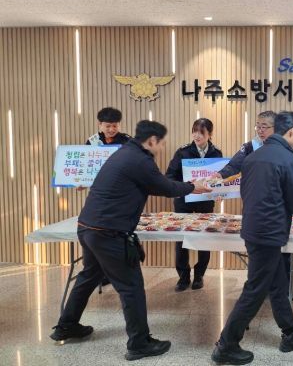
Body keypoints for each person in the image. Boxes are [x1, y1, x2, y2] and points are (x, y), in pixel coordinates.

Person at [50, 120, 211, 361]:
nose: (162, 148)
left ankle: (67, 325)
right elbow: (164, 186)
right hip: (109, 232)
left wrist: (188, 187)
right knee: (131, 286)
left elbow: (154, 185)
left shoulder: (124, 153)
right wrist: (191, 187)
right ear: (152, 140)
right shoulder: (140, 160)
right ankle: (139, 343)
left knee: (88, 276)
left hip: (88, 227)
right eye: (161, 143)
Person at [211, 111, 293, 365]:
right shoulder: (289, 159)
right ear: (291, 131)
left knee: (278, 283)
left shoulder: (253, 157)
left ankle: (291, 333)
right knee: (255, 289)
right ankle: (226, 344)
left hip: (254, 229)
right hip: (269, 233)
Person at [166, 118, 223, 292]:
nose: (197, 135)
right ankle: (183, 276)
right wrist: (186, 187)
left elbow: (220, 179)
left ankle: (199, 275)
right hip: (184, 200)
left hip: (205, 201)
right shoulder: (182, 152)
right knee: (182, 239)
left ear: (210, 134)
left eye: (201, 132)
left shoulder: (216, 153)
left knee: (204, 238)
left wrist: (220, 192)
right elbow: (170, 176)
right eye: (194, 131)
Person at [84, 107, 131, 287]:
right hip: (99, 196)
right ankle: (101, 273)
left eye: (115, 126)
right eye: (108, 126)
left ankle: (118, 272)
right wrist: (81, 181)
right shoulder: (92, 142)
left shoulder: (127, 141)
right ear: (100, 124)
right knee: (99, 235)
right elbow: (85, 167)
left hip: (121, 196)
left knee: (118, 235)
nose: (111, 129)